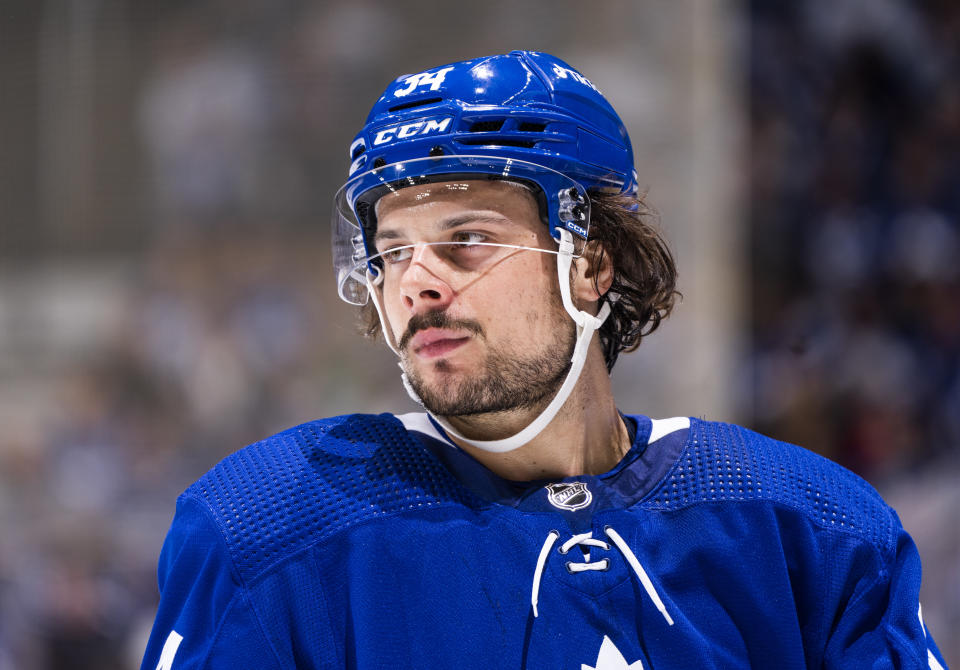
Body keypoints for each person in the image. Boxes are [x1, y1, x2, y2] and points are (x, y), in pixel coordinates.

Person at [140, 51, 948, 670]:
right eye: (391, 253)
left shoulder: (810, 532)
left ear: (592, 265)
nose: (414, 285)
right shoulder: (267, 534)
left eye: (467, 242)